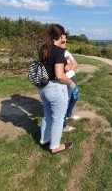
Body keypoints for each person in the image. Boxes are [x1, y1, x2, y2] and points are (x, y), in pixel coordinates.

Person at [38, 24, 75, 154]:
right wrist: (70, 83)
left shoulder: (44, 48)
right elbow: (60, 75)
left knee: (47, 115)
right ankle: (55, 146)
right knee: (58, 119)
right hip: (55, 89)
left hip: (43, 88)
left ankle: (44, 139)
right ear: (61, 35)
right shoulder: (58, 52)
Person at [57, 36, 80, 132]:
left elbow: (75, 63)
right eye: (63, 41)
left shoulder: (66, 52)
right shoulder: (56, 53)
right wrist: (69, 66)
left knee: (75, 97)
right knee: (64, 102)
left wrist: (69, 66)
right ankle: (63, 126)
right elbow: (62, 70)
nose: (65, 42)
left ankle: (68, 114)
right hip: (64, 80)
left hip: (72, 78)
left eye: (66, 41)